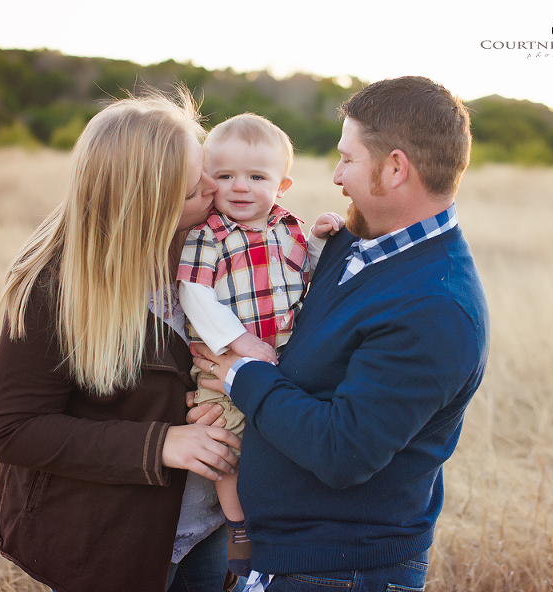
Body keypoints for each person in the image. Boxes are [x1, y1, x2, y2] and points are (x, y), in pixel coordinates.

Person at [191, 76, 490, 591]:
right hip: (282, 556)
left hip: (339, 571)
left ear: (395, 168)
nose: (336, 175)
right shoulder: (355, 244)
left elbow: (342, 450)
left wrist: (242, 376)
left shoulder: (436, 306)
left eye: (348, 159)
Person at [0, 87, 243, 592]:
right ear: (146, 208)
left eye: (206, 169)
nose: (215, 188)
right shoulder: (54, 287)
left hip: (209, 525)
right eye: (193, 189)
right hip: (114, 540)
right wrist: (161, 443)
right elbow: (14, 429)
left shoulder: (207, 244)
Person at [176, 113, 345, 577]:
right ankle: (239, 527)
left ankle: (273, 520)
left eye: (256, 177)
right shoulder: (207, 235)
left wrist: (318, 241)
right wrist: (239, 340)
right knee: (226, 442)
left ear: (282, 185)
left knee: (276, 440)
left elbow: (305, 277)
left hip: (283, 360)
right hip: (223, 362)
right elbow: (193, 292)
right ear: (208, 179)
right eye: (225, 176)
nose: (240, 187)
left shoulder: (289, 228)